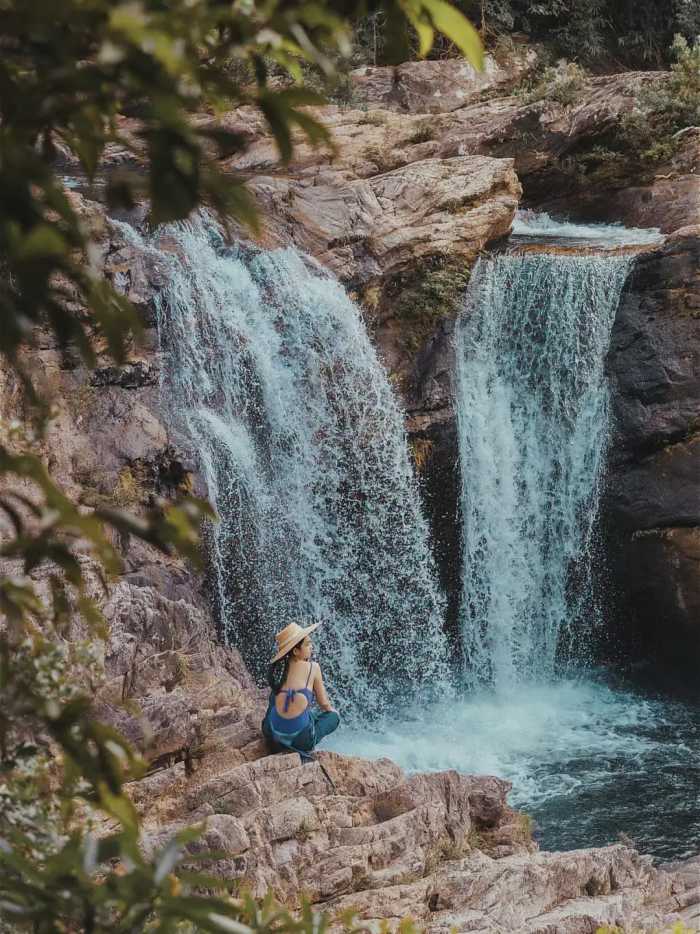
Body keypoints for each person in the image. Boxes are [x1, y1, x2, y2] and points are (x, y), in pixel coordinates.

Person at [262, 621, 339, 760]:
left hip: (273, 740)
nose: (311, 647)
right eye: (308, 644)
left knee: (306, 712)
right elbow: (324, 704)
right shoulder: (313, 668)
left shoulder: (278, 670)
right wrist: (332, 711)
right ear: (296, 651)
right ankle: (303, 743)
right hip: (300, 741)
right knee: (333, 717)